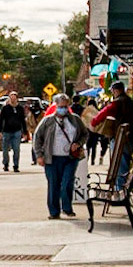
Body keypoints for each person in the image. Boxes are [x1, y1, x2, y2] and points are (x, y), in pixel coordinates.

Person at [32, 91, 85, 219]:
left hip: (70, 158)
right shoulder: (48, 121)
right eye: (61, 106)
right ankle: (54, 212)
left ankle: (67, 208)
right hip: (52, 159)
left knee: (67, 182)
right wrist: (39, 155)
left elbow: (84, 134)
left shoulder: (75, 120)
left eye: (65, 106)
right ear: (55, 105)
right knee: (53, 185)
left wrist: (78, 143)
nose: (63, 109)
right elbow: (37, 138)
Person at [0, 92, 27, 172]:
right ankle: (5, 164)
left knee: (16, 149)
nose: (13, 99)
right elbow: (1, 120)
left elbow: (23, 121)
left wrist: (25, 132)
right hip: (6, 131)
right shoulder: (5, 108)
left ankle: (16, 165)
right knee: (5, 149)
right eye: (11, 97)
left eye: (14, 97)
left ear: (17, 99)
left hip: (17, 131)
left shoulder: (20, 108)